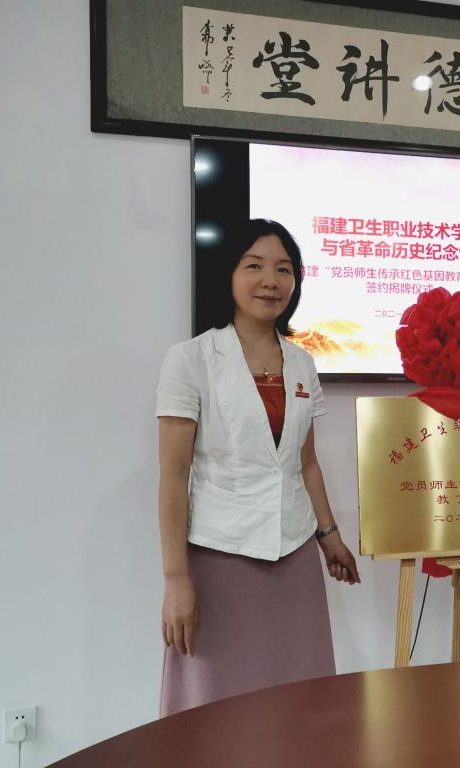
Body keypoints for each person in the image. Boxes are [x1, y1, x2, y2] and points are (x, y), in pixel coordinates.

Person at [155, 218, 359, 716]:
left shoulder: (302, 362)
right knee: (217, 698)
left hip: (294, 553)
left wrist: (329, 536)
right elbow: (174, 478)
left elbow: (306, 463)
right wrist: (176, 578)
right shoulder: (191, 359)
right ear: (228, 274)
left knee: (301, 692)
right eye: (254, 266)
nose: (271, 281)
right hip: (220, 554)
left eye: (284, 269)